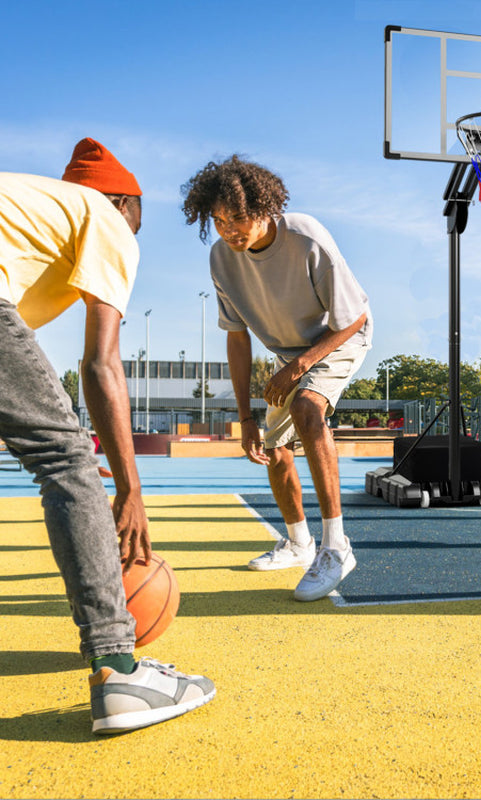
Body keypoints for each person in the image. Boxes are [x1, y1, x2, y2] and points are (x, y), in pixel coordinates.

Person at [0, 138, 215, 734]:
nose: (139, 234)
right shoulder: (105, 219)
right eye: (140, 217)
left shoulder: (35, 218)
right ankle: (118, 670)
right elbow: (101, 363)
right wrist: (129, 487)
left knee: (58, 450)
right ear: (125, 201)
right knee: (66, 460)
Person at [181, 156, 372, 601]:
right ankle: (299, 543)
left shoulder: (306, 236)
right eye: (219, 220)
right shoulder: (221, 259)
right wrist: (245, 417)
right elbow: (236, 338)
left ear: (264, 207)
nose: (229, 229)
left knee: (307, 407)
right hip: (289, 353)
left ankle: (336, 546)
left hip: (339, 337)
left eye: (238, 217)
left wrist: (299, 367)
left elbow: (353, 316)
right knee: (274, 447)